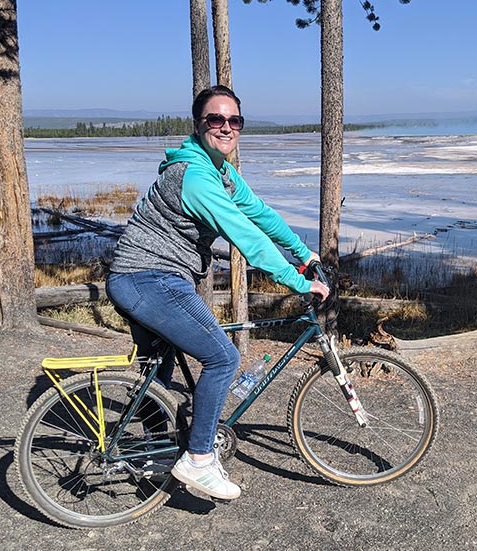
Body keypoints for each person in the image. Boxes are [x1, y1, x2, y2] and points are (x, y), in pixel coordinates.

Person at [106, 85, 330, 500]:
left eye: (234, 120)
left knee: (162, 366)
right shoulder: (196, 178)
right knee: (223, 356)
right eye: (216, 119)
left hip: (143, 278)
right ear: (199, 124)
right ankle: (199, 461)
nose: (226, 127)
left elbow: (259, 214)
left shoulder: (221, 172)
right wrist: (300, 281)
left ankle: (160, 454)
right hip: (148, 279)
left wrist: (302, 253)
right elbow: (247, 238)